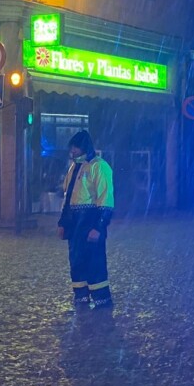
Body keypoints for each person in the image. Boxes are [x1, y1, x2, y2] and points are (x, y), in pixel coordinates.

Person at [56, 130, 115, 307]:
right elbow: (68, 198)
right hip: (74, 222)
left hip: (90, 219)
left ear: (84, 147)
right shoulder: (74, 168)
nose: (72, 151)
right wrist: (63, 223)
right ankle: (80, 295)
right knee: (76, 259)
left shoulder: (99, 166)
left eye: (75, 147)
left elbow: (105, 198)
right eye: (71, 147)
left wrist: (99, 226)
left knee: (94, 260)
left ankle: (101, 299)